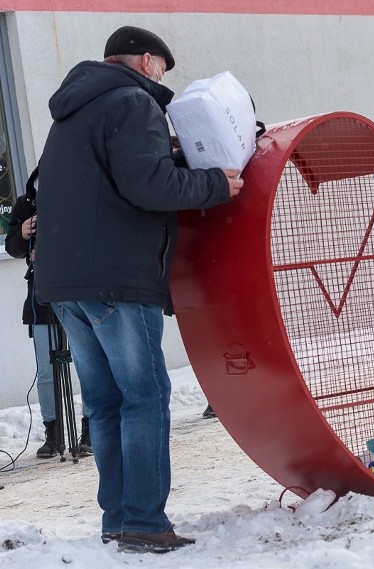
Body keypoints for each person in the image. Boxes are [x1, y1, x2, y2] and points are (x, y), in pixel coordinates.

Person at [34, 25, 243, 552]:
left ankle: (119, 519)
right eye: (163, 70)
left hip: (67, 282)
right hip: (118, 280)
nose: (162, 78)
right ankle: (145, 522)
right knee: (145, 397)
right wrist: (218, 182)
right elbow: (147, 186)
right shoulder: (132, 103)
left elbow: (113, 181)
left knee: (104, 403)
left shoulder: (74, 110)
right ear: (149, 62)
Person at [5, 167, 94, 458]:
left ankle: (91, 430)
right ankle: (53, 434)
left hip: (77, 292)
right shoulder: (24, 206)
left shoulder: (78, 199)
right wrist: (23, 233)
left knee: (87, 365)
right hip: (41, 295)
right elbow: (13, 248)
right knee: (46, 371)